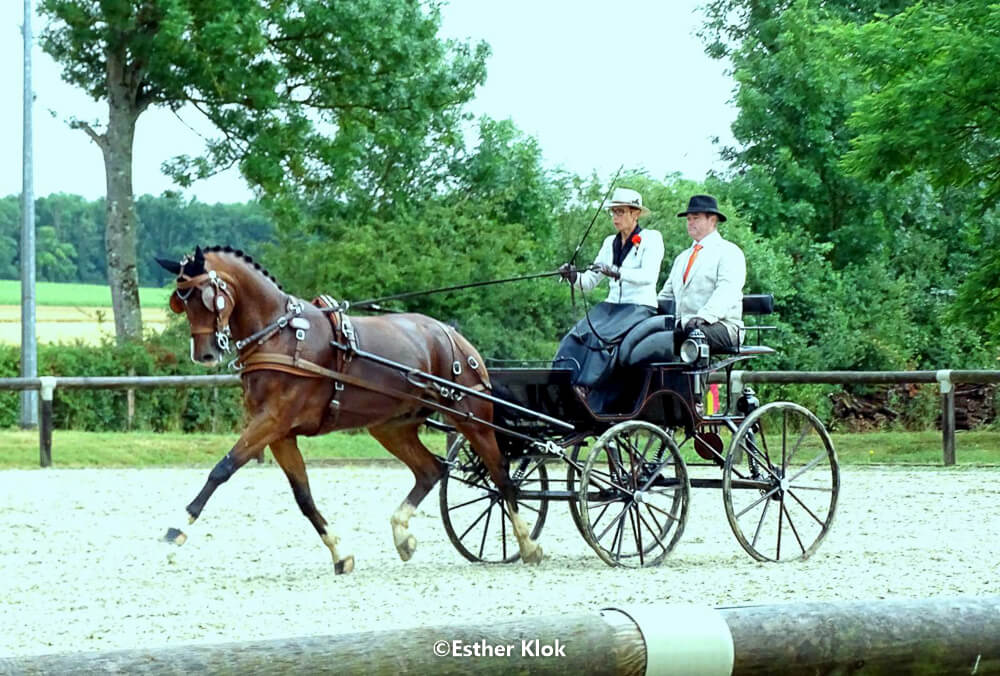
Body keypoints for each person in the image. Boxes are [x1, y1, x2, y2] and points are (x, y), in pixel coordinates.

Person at [553, 187, 664, 406]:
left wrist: (615, 271)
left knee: (599, 338)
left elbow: (649, 277)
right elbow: (588, 283)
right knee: (576, 335)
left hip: (639, 307)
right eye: (613, 212)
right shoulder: (608, 243)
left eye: (620, 212)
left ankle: (585, 387)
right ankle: (560, 384)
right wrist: (572, 275)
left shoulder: (651, 239)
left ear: (636, 213)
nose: (615, 217)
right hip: (612, 307)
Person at [657, 194, 745, 352]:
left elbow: (727, 292)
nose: (690, 223)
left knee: (695, 335)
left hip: (723, 325)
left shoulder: (729, 252)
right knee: (647, 338)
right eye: (688, 219)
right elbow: (666, 295)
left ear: (712, 220)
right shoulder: (682, 258)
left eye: (695, 218)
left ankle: (696, 378)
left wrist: (704, 317)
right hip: (684, 325)